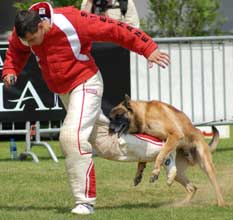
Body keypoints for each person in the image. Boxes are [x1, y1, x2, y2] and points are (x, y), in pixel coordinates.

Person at [2, 1, 175, 215]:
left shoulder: (73, 20)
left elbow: (116, 29)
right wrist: (10, 69)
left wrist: (147, 48)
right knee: (106, 144)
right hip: (66, 92)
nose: (30, 45)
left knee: (70, 137)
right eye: (26, 41)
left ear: (42, 25)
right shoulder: (26, 31)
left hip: (86, 83)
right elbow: (16, 50)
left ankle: (85, 202)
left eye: (32, 40)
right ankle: (163, 152)